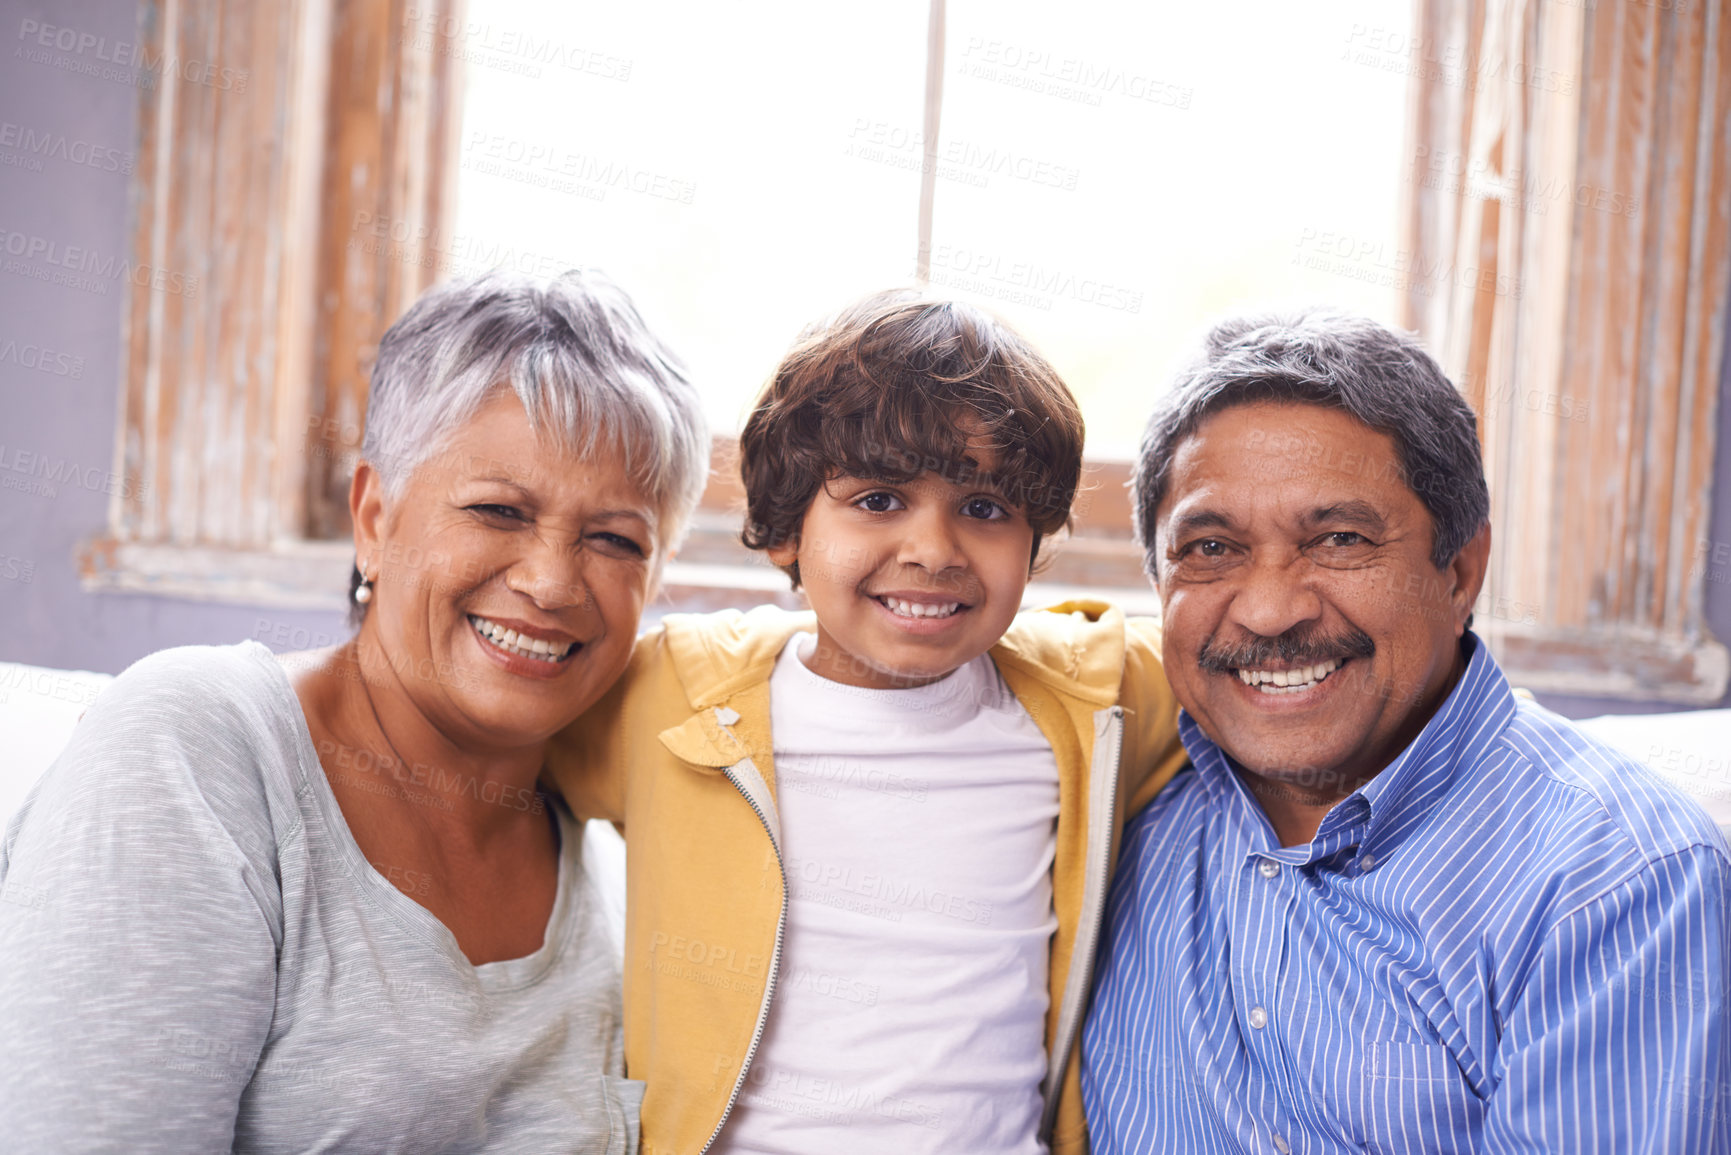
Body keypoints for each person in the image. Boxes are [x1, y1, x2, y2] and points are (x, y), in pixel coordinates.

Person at [0, 269, 709, 1151]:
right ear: (375, 516)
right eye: (497, 510)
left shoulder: (613, 858)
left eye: (614, 539)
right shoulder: (193, 744)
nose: (553, 581)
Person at [546, 291, 1189, 1155]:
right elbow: (489, 746)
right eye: (879, 499)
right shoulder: (669, 692)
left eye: (987, 507)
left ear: (1034, 546)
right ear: (783, 530)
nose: (933, 549)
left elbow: (1239, 656)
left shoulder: (1096, 698)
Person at [1080, 308, 1731, 1153]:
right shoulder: (1114, 799)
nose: (1271, 608)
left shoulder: (1620, 885)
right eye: (1209, 547)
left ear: (1460, 570)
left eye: (1340, 539)